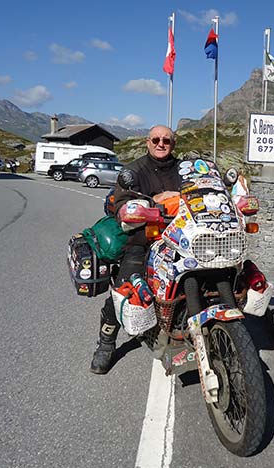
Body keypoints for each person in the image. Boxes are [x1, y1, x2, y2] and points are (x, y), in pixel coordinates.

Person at [90, 125, 182, 374]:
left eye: (166, 140)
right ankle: (106, 342)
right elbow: (121, 202)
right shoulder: (133, 171)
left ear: (173, 143)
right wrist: (154, 201)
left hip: (181, 239)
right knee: (126, 288)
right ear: (147, 142)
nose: (161, 144)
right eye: (156, 139)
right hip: (143, 240)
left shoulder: (183, 168)